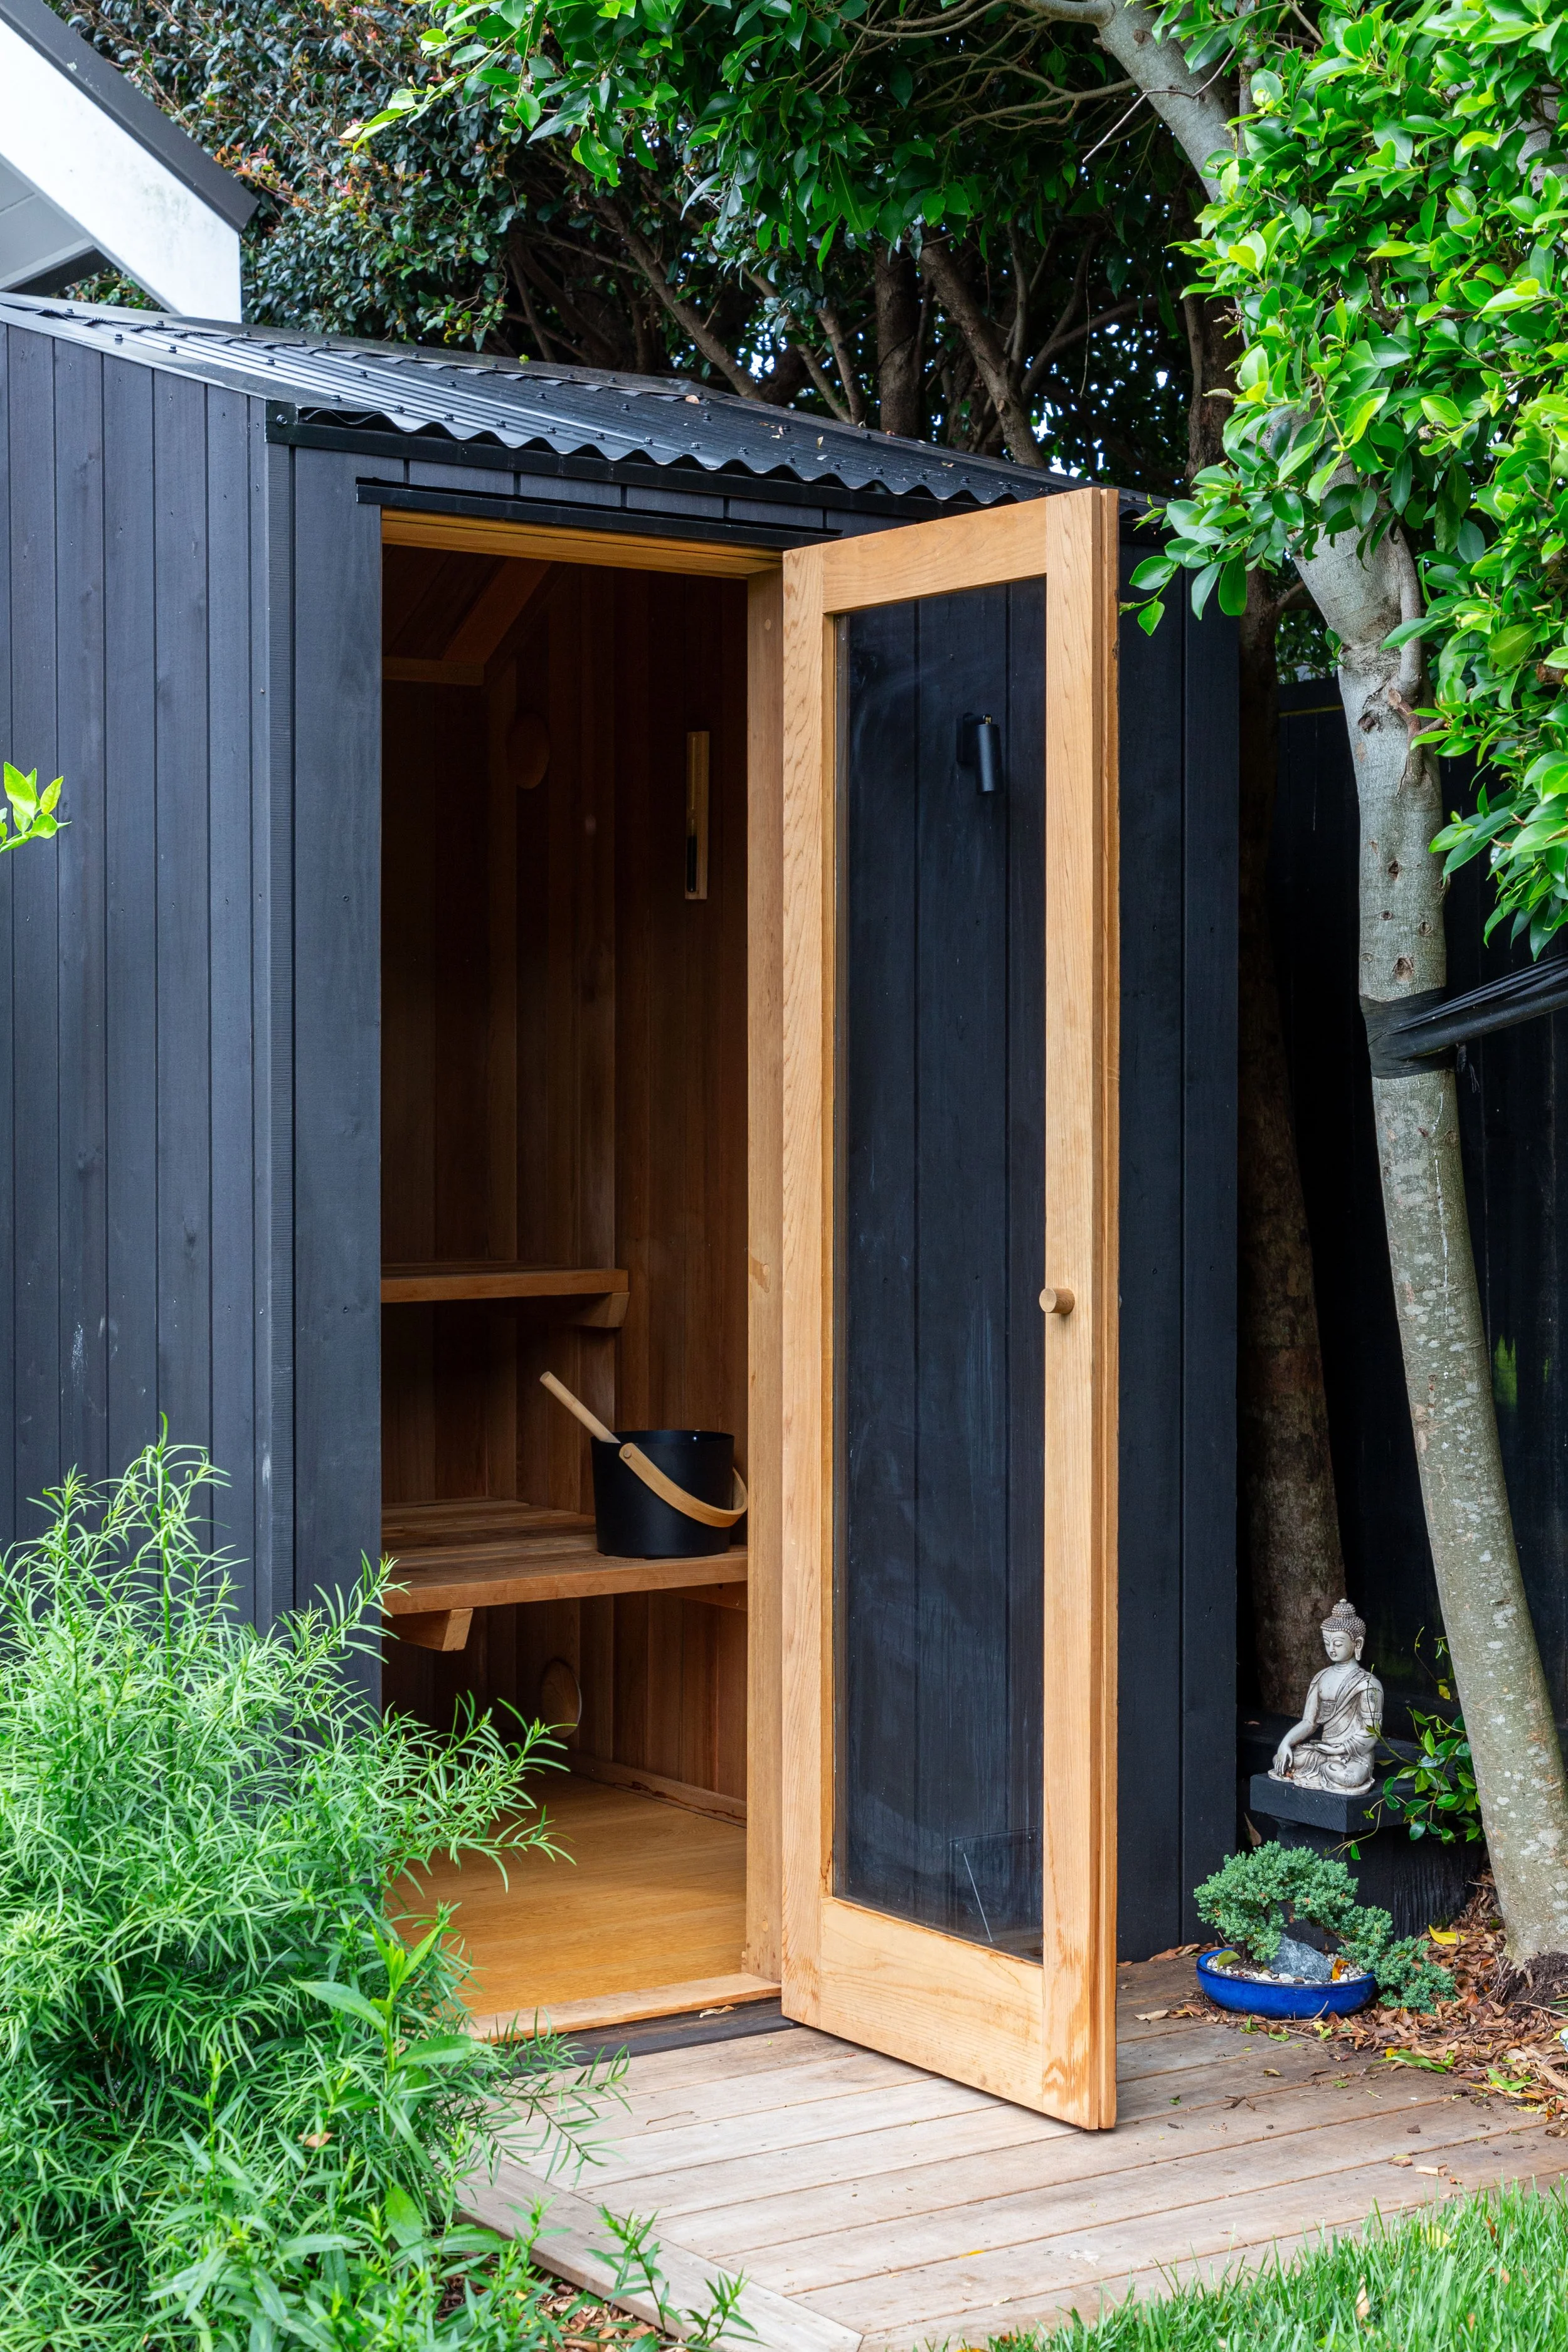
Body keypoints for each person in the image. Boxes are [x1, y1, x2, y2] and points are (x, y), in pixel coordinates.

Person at [1270, 1600, 1384, 1796]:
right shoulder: (1321, 1678)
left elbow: (1372, 1730)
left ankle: (1330, 1771)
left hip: (1354, 1755)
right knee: (1288, 1759)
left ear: (1357, 1644)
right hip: (1324, 1751)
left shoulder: (1368, 1684)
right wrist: (1285, 1743)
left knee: (1348, 1777)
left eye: (1338, 1643)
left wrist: (1341, 1749)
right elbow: (1309, 1722)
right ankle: (1324, 1769)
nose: (1332, 1649)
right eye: (1327, 1643)